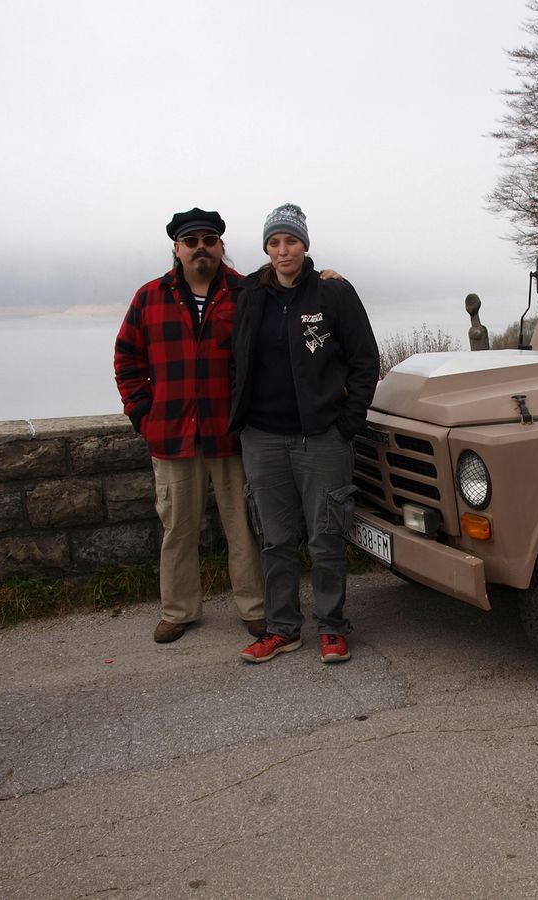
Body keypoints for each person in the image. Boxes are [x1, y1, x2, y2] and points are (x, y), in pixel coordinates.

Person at [231, 204, 380, 664]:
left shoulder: (333, 292)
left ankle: (332, 627)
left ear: (305, 244)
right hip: (262, 437)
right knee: (275, 539)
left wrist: (346, 424)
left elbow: (364, 361)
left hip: (321, 438)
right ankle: (283, 628)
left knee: (325, 537)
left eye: (290, 241)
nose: (283, 251)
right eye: (274, 243)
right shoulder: (251, 295)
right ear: (265, 249)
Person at [114, 208, 266, 643]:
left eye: (209, 239)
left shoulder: (246, 293)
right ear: (177, 249)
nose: (201, 247)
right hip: (173, 436)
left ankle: (253, 608)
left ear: (220, 246)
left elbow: (291, 305)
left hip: (231, 434)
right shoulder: (150, 297)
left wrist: (329, 276)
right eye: (191, 240)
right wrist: (142, 414)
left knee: (243, 527)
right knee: (178, 529)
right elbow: (127, 360)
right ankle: (178, 610)